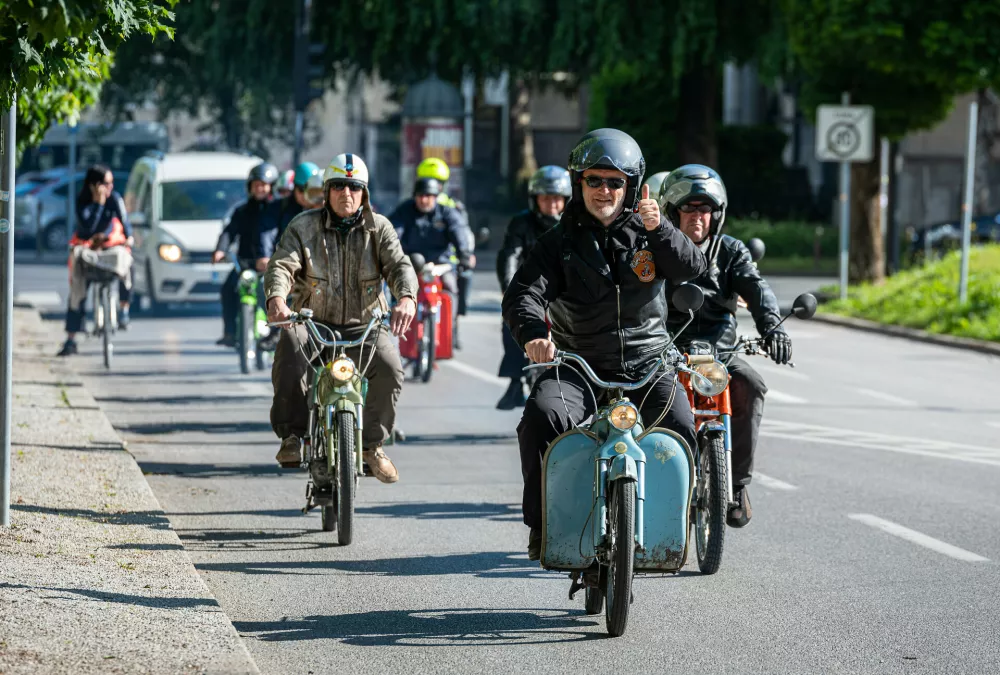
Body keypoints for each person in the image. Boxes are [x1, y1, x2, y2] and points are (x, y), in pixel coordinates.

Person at [502, 129, 707, 560]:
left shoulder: (651, 231)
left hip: (647, 364)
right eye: (594, 180)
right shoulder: (557, 243)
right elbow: (523, 294)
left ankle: (674, 525)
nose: (604, 190)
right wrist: (535, 336)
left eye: (615, 182)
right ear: (579, 183)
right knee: (542, 418)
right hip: (577, 365)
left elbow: (692, 267)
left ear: (631, 186)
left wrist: (661, 227)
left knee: (684, 426)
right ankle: (542, 524)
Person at [265, 153, 418, 482]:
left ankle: (373, 446)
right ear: (326, 191)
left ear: (364, 194)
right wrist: (277, 298)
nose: (345, 194)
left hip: (365, 326)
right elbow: (281, 264)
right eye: (338, 187)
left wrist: (406, 297)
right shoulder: (303, 226)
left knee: (391, 367)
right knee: (290, 346)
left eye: (354, 187)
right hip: (312, 322)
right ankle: (292, 436)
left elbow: (399, 265)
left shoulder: (381, 229)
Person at [659, 164, 790, 528]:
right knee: (642, 393)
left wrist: (773, 328)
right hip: (668, 350)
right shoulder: (655, 248)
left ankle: (736, 485)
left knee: (750, 385)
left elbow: (757, 288)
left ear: (716, 214)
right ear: (672, 211)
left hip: (720, 351)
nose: (697, 217)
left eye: (704, 209)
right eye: (688, 208)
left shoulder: (731, 251)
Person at [494, 165, 571, 410]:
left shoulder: (575, 225)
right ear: (535, 199)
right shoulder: (521, 223)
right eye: (545, 197)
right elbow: (509, 255)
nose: (551, 203)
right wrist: (509, 290)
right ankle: (515, 380)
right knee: (513, 320)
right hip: (531, 292)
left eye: (556, 198)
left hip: (567, 295)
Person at [388, 176, 475, 348]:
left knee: (453, 286)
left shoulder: (447, 212)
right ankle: (395, 319)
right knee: (397, 287)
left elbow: (459, 232)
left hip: (441, 265)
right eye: (420, 195)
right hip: (411, 264)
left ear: (436, 196)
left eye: (429, 195)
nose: (424, 199)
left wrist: (464, 255)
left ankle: (453, 327)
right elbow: (393, 233)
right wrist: (390, 254)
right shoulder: (404, 211)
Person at [56, 165, 134, 356]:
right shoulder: (82, 201)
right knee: (77, 288)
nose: (110, 187)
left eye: (111, 183)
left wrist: (128, 237)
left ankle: (124, 308)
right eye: (106, 184)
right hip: (86, 249)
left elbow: (125, 223)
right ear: (94, 185)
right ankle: (71, 339)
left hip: (108, 248)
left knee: (126, 261)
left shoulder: (115, 198)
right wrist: (98, 204)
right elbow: (88, 227)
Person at [211, 161, 278, 347]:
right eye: (256, 185)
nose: (260, 189)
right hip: (245, 264)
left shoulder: (278, 209)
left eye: (264, 185)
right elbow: (229, 232)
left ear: (271, 187)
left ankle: (277, 333)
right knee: (228, 289)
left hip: (274, 265)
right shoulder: (242, 211)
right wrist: (220, 250)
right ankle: (230, 333)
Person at [416, 157, 475, 320]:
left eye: (437, 183)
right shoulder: (409, 208)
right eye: (426, 182)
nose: (427, 196)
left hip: (445, 263)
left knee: (459, 281)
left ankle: (453, 320)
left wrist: (465, 254)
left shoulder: (452, 209)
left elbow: (462, 232)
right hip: (416, 263)